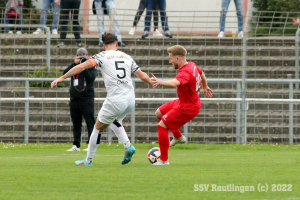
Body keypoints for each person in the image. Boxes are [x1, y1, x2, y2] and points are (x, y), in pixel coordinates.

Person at [51, 33, 153, 166]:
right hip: (130, 99)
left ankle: (88, 161)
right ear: (116, 44)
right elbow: (142, 76)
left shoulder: (101, 56)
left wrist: (61, 78)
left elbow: (82, 66)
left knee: (97, 127)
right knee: (114, 121)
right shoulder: (127, 57)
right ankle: (128, 146)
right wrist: (153, 82)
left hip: (116, 99)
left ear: (104, 46)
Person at [150, 45, 213, 165]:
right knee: (159, 113)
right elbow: (202, 73)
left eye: (170, 58)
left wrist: (159, 82)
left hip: (188, 107)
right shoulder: (192, 65)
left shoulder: (185, 72)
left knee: (162, 126)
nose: (170, 61)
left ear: (177, 58)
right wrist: (204, 86)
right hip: (183, 101)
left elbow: (174, 83)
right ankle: (178, 136)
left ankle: (163, 161)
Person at [64, 48, 97, 152]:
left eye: (84, 55)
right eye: (79, 55)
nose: (81, 56)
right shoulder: (74, 67)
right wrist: (74, 64)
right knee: (76, 124)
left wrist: (84, 66)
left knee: (90, 123)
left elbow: (91, 78)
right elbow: (65, 74)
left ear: (87, 56)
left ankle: (90, 145)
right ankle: (76, 145)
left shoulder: (91, 66)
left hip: (87, 99)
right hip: (74, 99)